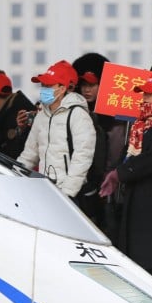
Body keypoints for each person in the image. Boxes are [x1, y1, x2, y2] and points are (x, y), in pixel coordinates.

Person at [101, 75, 152, 277]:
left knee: (149, 261)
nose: (144, 98)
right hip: (134, 197)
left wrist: (121, 173)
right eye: (143, 93)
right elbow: (128, 154)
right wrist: (116, 172)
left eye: (150, 94)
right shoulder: (140, 125)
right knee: (134, 261)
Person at [17, 60, 98, 201]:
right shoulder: (42, 115)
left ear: (63, 88)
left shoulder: (78, 114)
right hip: (45, 189)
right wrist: (14, 176)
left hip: (69, 195)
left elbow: (83, 156)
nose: (43, 89)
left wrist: (67, 192)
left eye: (48, 85)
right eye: (43, 85)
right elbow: (29, 153)